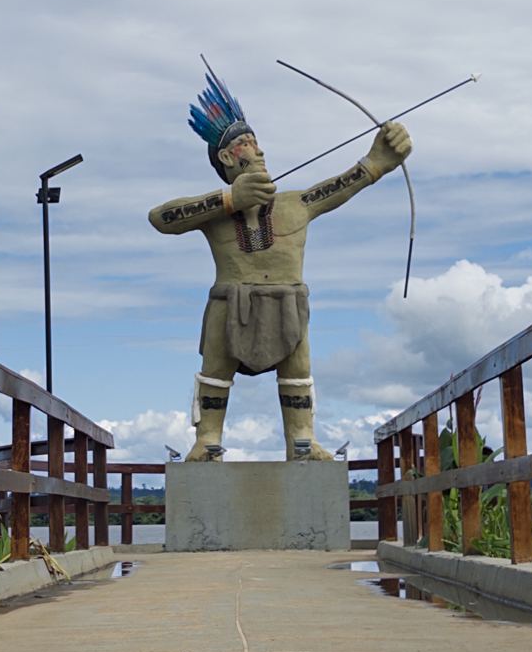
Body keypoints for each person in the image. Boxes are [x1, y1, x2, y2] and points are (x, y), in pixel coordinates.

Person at [149, 67, 412, 461]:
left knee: (297, 369)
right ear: (227, 157)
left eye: (257, 143)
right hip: (231, 303)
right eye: (249, 144)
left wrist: (378, 161)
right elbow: (160, 218)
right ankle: (208, 440)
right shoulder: (217, 211)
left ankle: (301, 440)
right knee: (215, 370)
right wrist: (228, 200)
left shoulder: (295, 204)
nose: (260, 151)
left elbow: (346, 183)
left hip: (288, 304)